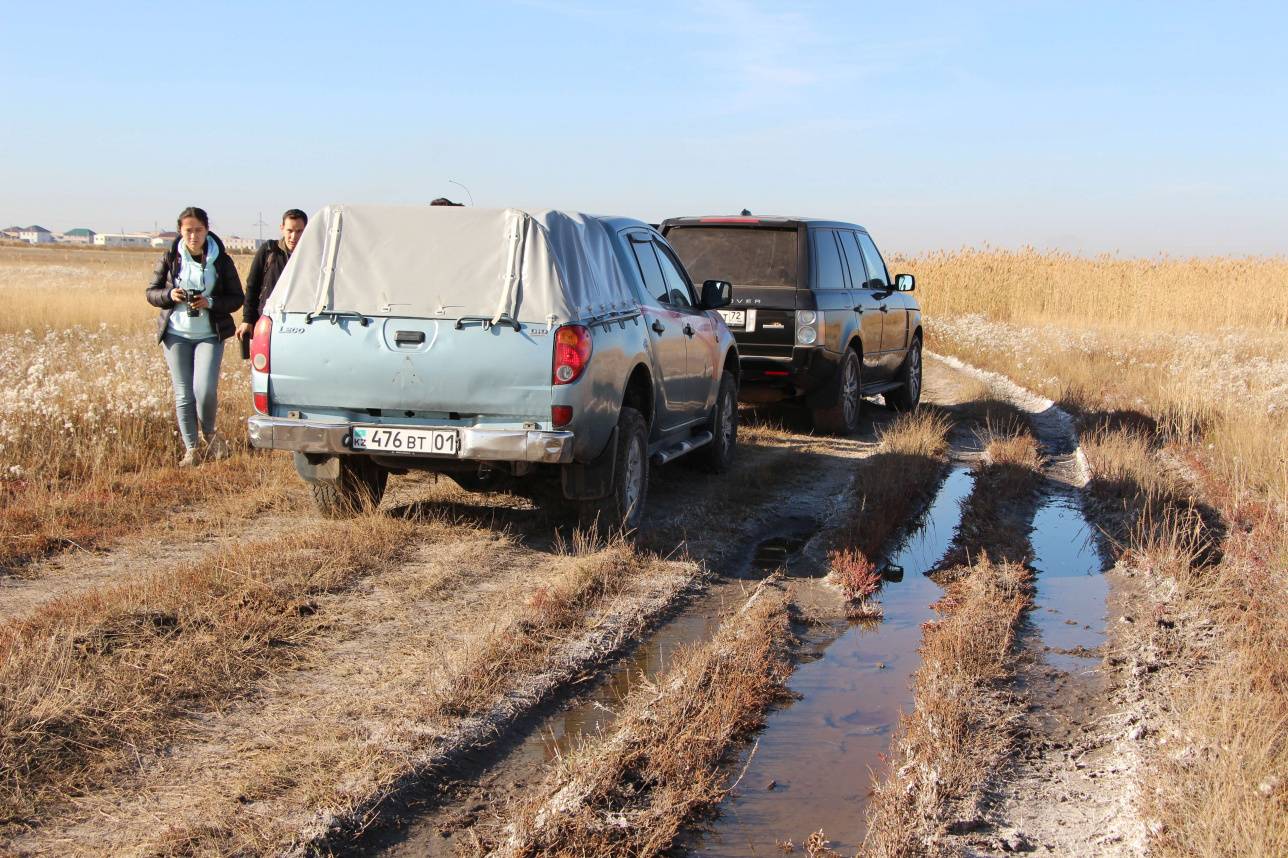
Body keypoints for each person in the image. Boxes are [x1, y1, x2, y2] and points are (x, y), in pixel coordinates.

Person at [146, 206, 244, 467]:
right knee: (183, 394)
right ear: (180, 231)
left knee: (205, 390)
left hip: (209, 335)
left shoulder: (221, 260)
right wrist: (170, 295)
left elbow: (237, 298)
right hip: (176, 334)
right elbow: (151, 292)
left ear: (207, 230)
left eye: (198, 230)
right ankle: (191, 449)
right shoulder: (170, 258)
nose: (193, 236)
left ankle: (210, 433)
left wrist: (210, 301)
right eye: (188, 231)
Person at [237, 208, 307, 342]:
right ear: (282, 228)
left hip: (300, 323)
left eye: (299, 231)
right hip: (268, 321)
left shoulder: (312, 255)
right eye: (290, 231)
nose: (294, 237)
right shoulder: (269, 251)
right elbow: (252, 286)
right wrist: (247, 320)